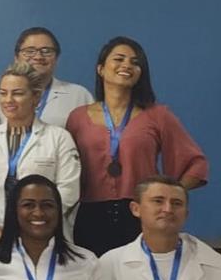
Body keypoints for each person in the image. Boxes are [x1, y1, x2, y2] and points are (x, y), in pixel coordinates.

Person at [67, 37, 208, 257]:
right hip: (90, 216)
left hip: (139, 215)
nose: (127, 65)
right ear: (101, 69)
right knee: (94, 275)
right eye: (119, 59)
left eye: (135, 62)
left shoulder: (158, 115)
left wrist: (166, 196)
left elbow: (196, 165)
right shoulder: (77, 117)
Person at [0, 61, 80, 257]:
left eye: (17, 93)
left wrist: (35, 223)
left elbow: (68, 190)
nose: (8, 100)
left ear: (36, 97)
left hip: (43, 235)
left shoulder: (59, 138)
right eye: (3, 93)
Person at [0, 27, 93, 128]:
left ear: (57, 58)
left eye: (46, 51)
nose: (38, 57)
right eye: (29, 51)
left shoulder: (79, 95)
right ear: (16, 57)